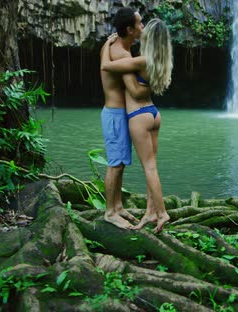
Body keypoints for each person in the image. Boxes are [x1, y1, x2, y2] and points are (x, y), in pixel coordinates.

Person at [100, 18, 173, 233]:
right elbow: (143, 90)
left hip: (139, 115)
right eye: (139, 25)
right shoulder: (162, 59)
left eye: (144, 28)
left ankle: (161, 213)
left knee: (149, 168)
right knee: (152, 166)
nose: (141, 29)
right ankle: (150, 210)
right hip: (153, 114)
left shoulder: (141, 60)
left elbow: (108, 67)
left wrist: (105, 46)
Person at [99, 7, 144, 229]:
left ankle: (117, 206)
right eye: (140, 24)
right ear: (129, 29)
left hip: (116, 115)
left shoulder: (111, 47)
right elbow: (134, 91)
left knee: (120, 164)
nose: (142, 28)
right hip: (116, 115)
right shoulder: (122, 55)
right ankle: (109, 212)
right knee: (115, 165)